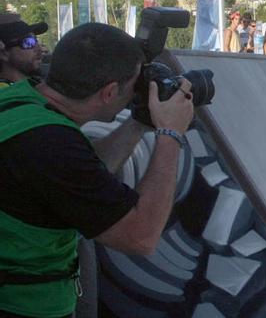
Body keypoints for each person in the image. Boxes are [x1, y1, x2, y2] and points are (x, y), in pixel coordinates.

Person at [0, 23, 193, 318]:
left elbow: (83, 179)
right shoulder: (53, 145)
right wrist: (171, 134)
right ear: (110, 91)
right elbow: (140, 237)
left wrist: (139, 122)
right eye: (133, 86)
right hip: (22, 305)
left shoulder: (22, 104)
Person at [0, 17, 48, 87]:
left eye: (36, 40)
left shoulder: (36, 84)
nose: (39, 49)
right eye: (28, 42)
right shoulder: (6, 94)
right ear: (3, 53)